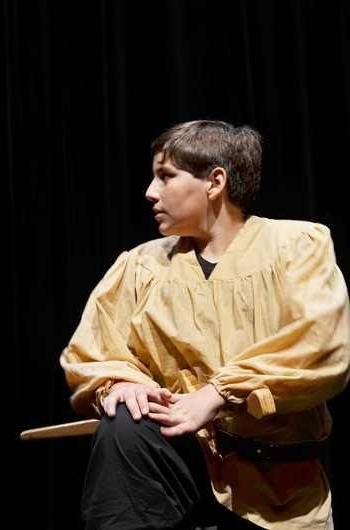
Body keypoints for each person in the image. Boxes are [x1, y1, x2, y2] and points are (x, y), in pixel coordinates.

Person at [60, 120, 350, 529]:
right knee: (124, 425)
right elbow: (94, 351)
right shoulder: (141, 266)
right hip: (179, 476)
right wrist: (122, 383)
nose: (149, 192)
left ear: (215, 181)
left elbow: (320, 347)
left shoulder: (296, 247)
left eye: (165, 177)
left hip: (278, 495)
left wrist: (218, 393)